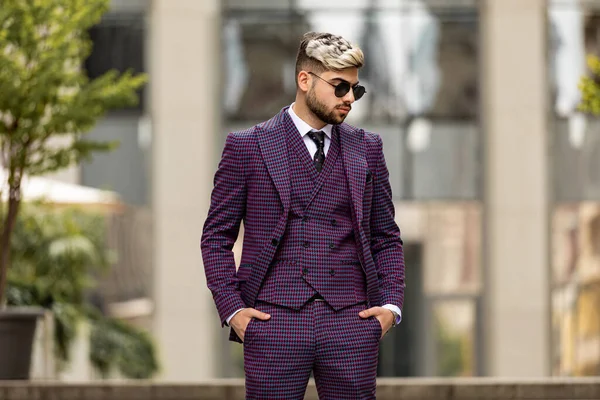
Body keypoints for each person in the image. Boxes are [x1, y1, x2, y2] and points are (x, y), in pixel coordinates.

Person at [201, 31, 406, 400]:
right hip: (272, 324)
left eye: (355, 91)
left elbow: (385, 236)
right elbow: (216, 237)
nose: (349, 99)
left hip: (351, 324)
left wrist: (390, 306)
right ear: (304, 80)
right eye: (340, 87)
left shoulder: (368, 148)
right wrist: (233, 310)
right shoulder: (247, 147)